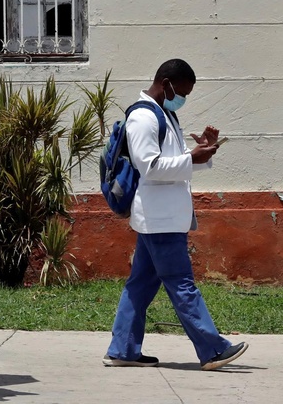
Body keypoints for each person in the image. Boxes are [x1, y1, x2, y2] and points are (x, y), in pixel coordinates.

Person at [103, 58, 249, 371]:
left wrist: (202, 153)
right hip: (159, 219)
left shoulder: (164, 114)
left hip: (163, 216)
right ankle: (212, 349)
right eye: (181, 92)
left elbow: (171, 161)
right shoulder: (143, 117)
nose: (182, 99)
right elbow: (150, 167)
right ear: (166, 82)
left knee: (140, 285)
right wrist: (191, 158)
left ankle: (123, 349)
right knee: (181, 284)